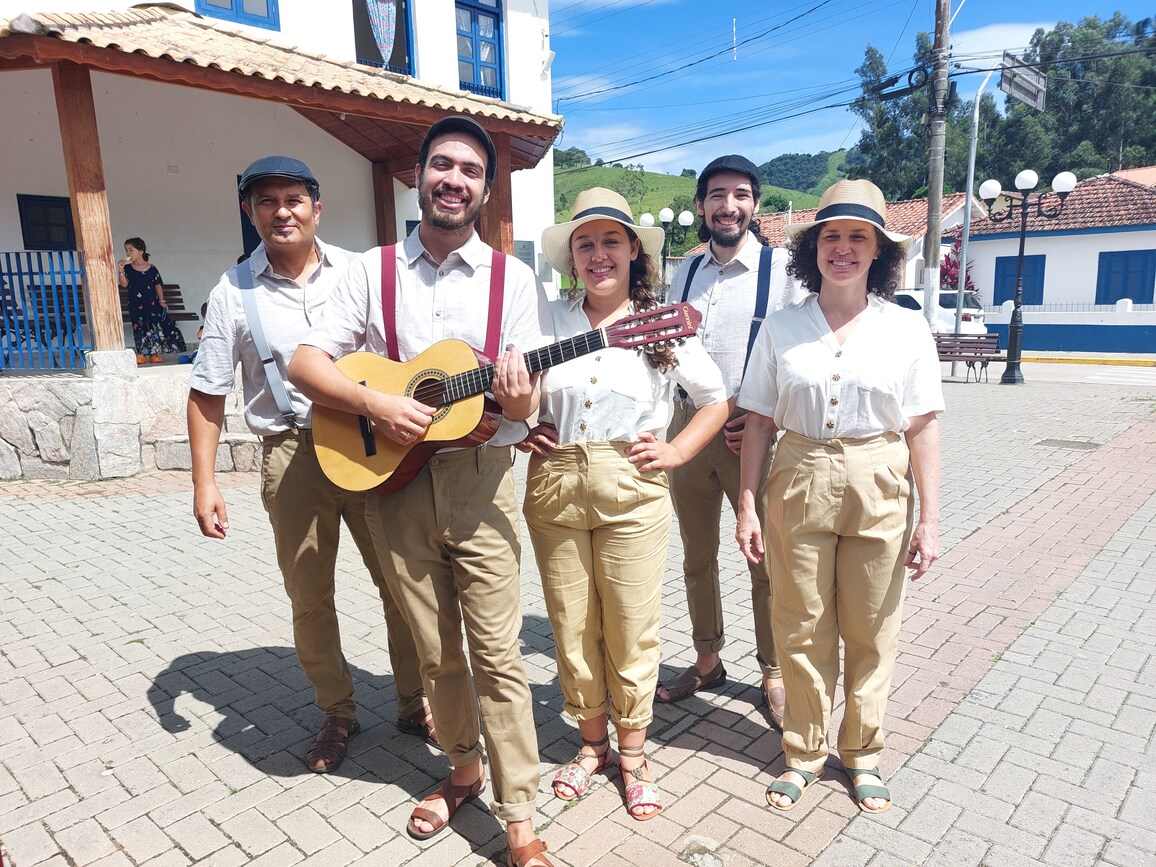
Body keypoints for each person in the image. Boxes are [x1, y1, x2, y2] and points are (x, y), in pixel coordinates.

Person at [289, 116, 554, 867]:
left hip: (482, 485)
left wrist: (519, 399)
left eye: (471, 171)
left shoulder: (516, 280)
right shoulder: (368, 272)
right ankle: (463, 769)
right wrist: (377, 405)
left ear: (486, 190)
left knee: (499, 653)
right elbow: (307, 364)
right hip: (393, 485)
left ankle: (521, 820)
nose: (454, 180)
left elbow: (528, 404)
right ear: (419, 175)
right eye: (442, 165)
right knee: (437, 652)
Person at [186, 155, 434, 777]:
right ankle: (337, 712)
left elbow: (401, 356)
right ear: (250, 213)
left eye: (293, 199)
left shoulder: (361, 271)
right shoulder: (231, 291)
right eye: (266, 202)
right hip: (292, 453)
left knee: (401, 583)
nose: (281, 211)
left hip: (369, 446)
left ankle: (415, 702)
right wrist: (205, 482)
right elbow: (208, 392)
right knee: (310, 596)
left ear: (316, 209)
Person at [734, 179, 943, 814]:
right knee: (799, 624)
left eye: (859, 237)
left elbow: (924, 425)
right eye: (832, 236)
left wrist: (929, 519)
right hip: (796, 475)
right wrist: (747, 503)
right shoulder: (782, 326)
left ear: (880, 250)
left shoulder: (907, 328)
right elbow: (759, 422)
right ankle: (803, 752)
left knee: (872, 626)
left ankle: (863, 753)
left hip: (880, 476)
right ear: (813, 248)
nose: (844, 248)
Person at [520, 188, 729, 821]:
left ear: (634, 250)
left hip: (631, 482)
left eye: (611, 240)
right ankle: (591, 748)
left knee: (633, 626)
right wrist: (519, 421)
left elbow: (715, 398)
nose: (598, 253)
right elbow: (519, 396)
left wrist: (678, 451)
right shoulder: (545, 319)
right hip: (555, 480)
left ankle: (634, 754)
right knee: (573, 626)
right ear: (571, 258)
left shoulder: (658, 322)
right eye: (585, 244)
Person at [655, 155, 806, 733]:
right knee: (697, 557)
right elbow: (668, 350)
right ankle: (708, 658)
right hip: (689, 429)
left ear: (756, 205)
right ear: (700, 206)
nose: (728, 206)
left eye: (740, 195)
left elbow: (798, 353)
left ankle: (772, 671)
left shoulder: (784, 269)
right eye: (717, 195)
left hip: (754, 434)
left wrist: (771, 415)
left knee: (763, 558)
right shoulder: (685, 272)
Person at [118, 237, 187, 363]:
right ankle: (141, 353)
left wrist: (162, 301)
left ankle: (154, 353)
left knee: (153, 326)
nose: (128, 253)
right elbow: (124, 284)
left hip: (152, 303)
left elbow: (158, 285)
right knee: (139, 327)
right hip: (135, 304)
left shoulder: (152, 268)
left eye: (130, 250)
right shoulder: (128, 269)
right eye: (126, 250)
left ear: (141, 251)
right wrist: (121, 271)